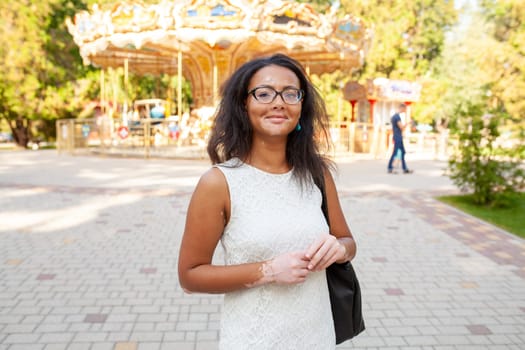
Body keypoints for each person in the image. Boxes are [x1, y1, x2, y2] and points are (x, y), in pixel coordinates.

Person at [177, 54, 357, 349]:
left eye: (290, 93)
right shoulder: (218, 183)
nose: (279, 102)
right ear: (243, 104)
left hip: (317, 336)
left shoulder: (317, 173)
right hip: (254, 340)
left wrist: (338, 249)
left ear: (302, 106)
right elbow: (190, 275)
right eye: (264, 93)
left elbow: (348, 241)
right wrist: (269, 271)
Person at [387, 103, 413, 174]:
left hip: (398, 136)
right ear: (402, 108)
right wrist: (408, 123)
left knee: (403, 152)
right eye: (404, 109)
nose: (405, 111)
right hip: (398, 137)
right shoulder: (397, 117)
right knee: (395, 153)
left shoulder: (394, 116)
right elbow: (401, 127)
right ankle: (390, 167)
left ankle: (404, 168)